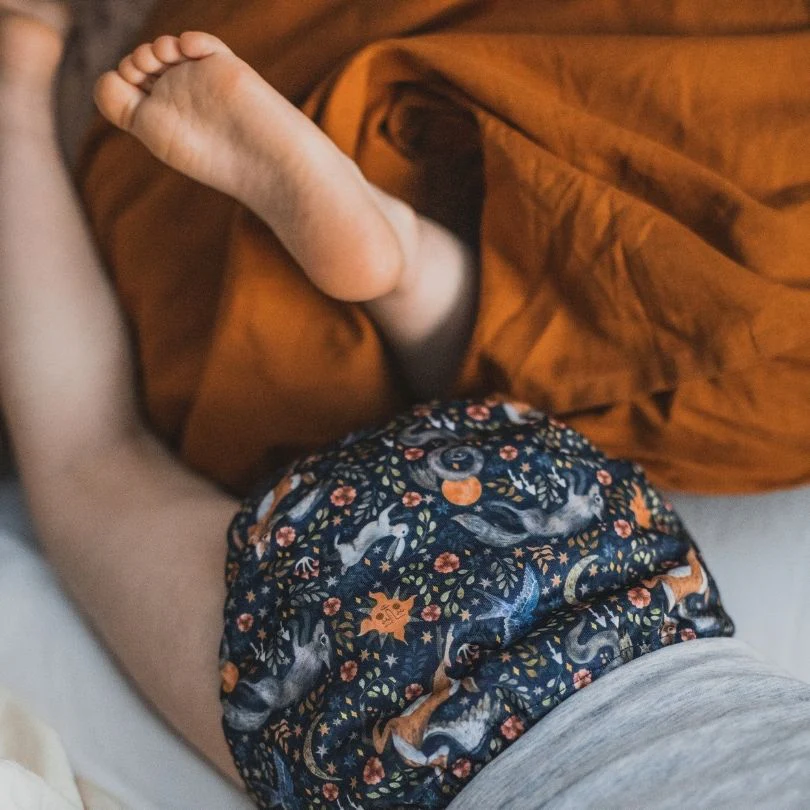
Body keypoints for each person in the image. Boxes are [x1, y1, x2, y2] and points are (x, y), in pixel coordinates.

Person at [1, 4, 808, 809]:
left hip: (619, 567)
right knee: (88, 455)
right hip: (403, 726)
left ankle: (406, 264)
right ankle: (14, 90)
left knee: (480, 366)